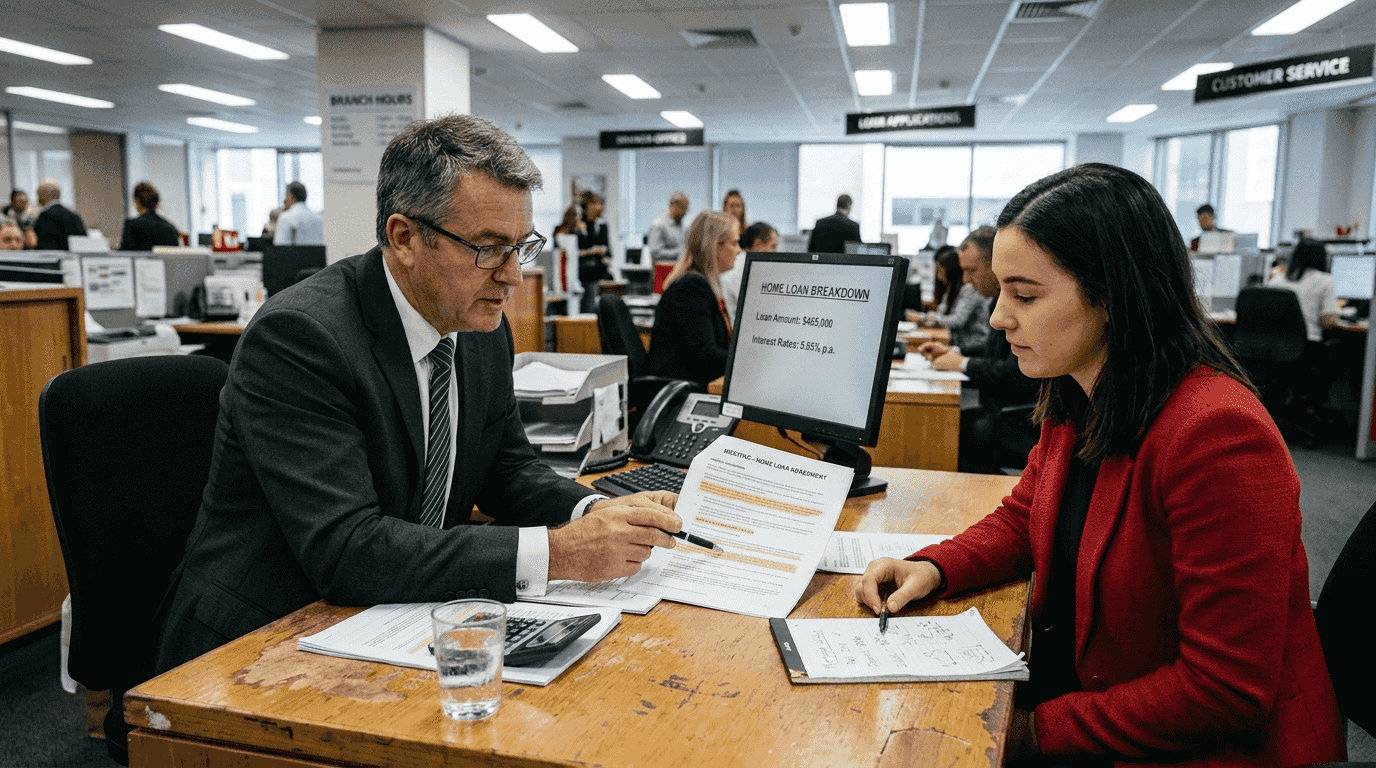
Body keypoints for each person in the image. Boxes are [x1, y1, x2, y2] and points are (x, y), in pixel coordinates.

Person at [155, 115, 684, 676]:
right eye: (487, 248)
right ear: (404, 238)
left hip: (397, 613)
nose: (514, 277)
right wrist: (561, 553)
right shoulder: (301, 337)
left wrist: (598, 512)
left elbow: (506, 470)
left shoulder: (477, 328)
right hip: (262, 639)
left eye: (520, 247)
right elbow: (347, 549)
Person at [857, 163, 1345, 767]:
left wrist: (1031, 732)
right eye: (1001, 290)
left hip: (1196, 748)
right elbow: (1026, 518)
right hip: (1093, 701)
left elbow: (1224, 689)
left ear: (1111, 296)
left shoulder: (1218, 435)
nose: (998, 317)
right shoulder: (1080, 394)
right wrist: (932, 567)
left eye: (1025, 295)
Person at [917, 226, 1036, 473]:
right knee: (946, 427)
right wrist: (956, 353)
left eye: (972, 271)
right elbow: (996, 351)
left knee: (945, 433)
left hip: (1013, 416)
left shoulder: (1022, 308)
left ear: (997, 265)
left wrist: (961, 364)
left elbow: (1018, 371)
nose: (967, 281)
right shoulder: (996, 301)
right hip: (996, 407)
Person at [645, 210, 740, 387]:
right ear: (715, 247)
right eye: (734, 243)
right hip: (680, 392)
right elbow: (706, 356)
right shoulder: (691, 287)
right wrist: (750, 361)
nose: (739, 250)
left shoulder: (703, 284)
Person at [1267, 238, 1340, 428]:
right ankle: (1310, 408)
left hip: (1273, 352)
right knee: (1337, 347)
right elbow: (1328, 321)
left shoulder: (1276, 280)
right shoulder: (1325, 280)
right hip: (1307, 351)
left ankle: (1288, 408)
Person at [927, 247, 991, 351]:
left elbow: (958, 320)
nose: (938, 277)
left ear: (950, 271)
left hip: (974, 348)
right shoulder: (951, 290)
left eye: (940, 271)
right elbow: (941, 313)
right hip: (961, 345)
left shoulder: (969, 289)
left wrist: (925, 318)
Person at [721, 221, 777, 324]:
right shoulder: (741, 268)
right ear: (758, 244)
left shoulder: (747, 264)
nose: (775, 252)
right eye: (773, 246)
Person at [119, 181, 181, 251]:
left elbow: (123, 255)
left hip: (139, 262)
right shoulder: (170, 227)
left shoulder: (131, 225)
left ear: (137, 201)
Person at [577, 191, 611, 312]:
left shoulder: (602, 224)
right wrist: (592, 251)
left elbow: (608, 250)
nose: (599, 207)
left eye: (601, 204)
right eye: (596, 204)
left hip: (600, 272)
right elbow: (575, 250)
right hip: (585, 273)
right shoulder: (579, 225)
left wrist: (606, 255)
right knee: (589, 307)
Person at [32, 180, 87, 251]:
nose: (38, 199)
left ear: (45, 194)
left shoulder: (45, 216)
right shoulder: (75, 216)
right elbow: (83, 243)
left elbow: (43, 246)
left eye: (39, 195)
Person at [273, 181, 324, 246]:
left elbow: (280, 248)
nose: (284, 201)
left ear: (291, 196)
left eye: (286, 196)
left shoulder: (286, 218)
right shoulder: (319, 219)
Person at [646, 191, 689, 262]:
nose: (685, 212)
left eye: (686, 209)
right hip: (663, 270)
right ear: (672, 206)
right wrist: (680, 253)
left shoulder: (682, 225)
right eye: (683, 208)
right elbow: (655, 253)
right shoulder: (658, 224)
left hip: (679, 269)